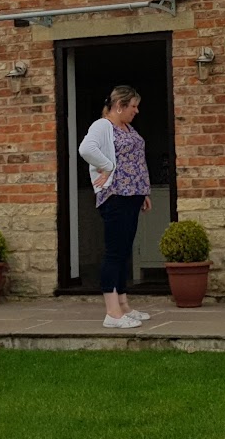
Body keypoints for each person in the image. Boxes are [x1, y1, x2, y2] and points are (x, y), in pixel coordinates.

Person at [78, 85, 153, 328]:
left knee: (123, 251)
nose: (137, 111)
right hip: (115, 195)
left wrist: (144, 191)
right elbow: (86, 149)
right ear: (119, 106)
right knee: (114, 252)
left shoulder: (127, 127)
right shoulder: (103, 126)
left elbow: (136, 160)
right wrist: (108, 166)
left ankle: (124, 306)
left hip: (132, 194)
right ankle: (112, 312)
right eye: (133, 106)